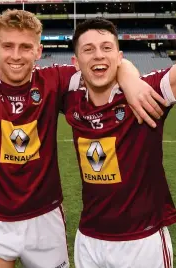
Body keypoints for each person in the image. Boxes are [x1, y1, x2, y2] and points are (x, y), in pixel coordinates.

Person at [0, 9, 167, 268]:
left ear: (38, 51)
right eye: (8, 46)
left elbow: (99, 65)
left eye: (25, 47)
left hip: (45, 221)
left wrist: (129, 75)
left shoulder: (54, 80)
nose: (16, 55)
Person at [62, 18, 176, 268]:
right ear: (76, 63)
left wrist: (129, 76)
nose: (97, 55)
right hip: (89, 239)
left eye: (106, 47)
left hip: (142, 240)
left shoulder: (147, 92)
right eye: (88, 50)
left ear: (120, 56)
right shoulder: (70, 99)